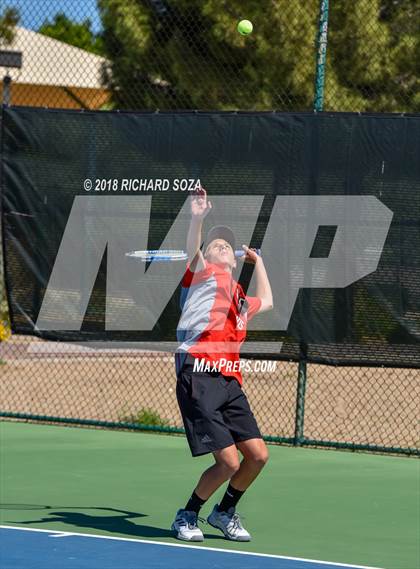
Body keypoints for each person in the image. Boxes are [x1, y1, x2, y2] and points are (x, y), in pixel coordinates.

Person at [171, 188, 273, 542]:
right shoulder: (202, 276)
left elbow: (270, 300)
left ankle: (224, 512)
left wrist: (258, 263)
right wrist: (198, 218)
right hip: (198, 372)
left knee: (257, 456)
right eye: (217, 245)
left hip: (229, 381)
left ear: (235, 260)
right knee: (228, 462)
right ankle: (187, 516)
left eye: (227, 247)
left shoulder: (240, 298)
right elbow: (191, 250)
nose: (223, 248)